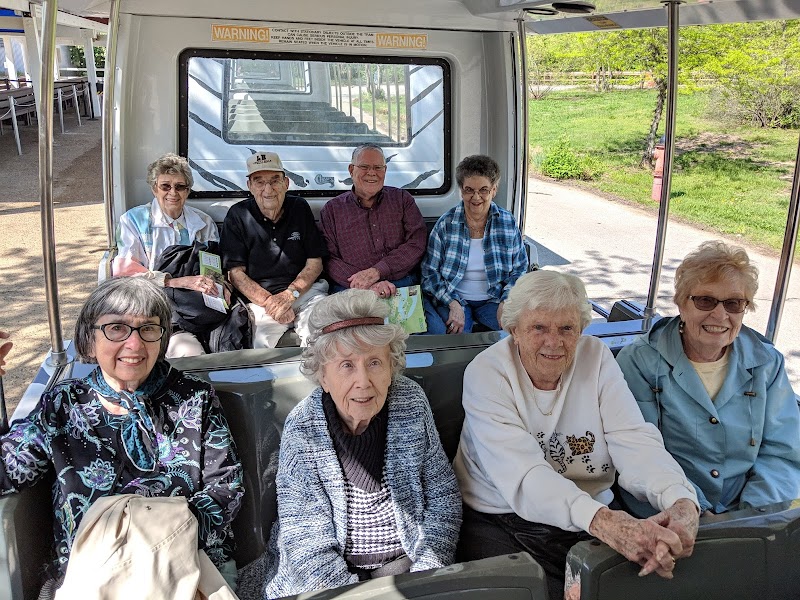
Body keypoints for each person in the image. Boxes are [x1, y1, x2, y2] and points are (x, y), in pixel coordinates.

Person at [454, 270, 700, 600]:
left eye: (566, 329)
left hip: (588, 513)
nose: (553, 342)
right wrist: (604, 523)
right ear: (514, 330)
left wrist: (679, 497)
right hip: (501, 518)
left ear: (581, 330)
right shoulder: (487, 373)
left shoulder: (595, 358)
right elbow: (525, 476)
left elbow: (633, 439)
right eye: (538, 328)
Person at [0, 278, 244, 592]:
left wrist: (153, 543)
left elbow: (226, 488)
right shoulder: (63, 404)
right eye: (116, 328)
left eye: (148, 329)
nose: (134, 344)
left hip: (185, 565)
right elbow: (6, 471)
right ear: (89, 340)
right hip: (92, 574)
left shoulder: (195, 397)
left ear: (162, 337)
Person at [238, 289, 461, 599]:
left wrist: (427, 572)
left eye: (374, 362)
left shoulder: (411, 402)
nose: (363, 382)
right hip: (327, 573)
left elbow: (442, 495)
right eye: (346, 365)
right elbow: (304, 539)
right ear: (323, 376)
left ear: (391, 368)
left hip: (406, 559)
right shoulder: (303, 426)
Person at [617, 240, 800, 515]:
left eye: (733, 303)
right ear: (682, 303)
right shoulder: (640, 361)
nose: (720, 314)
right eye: (705, 301)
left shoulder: (767, 364)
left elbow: (782, 454)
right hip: (664, 508)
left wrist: (752, 517)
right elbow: (641, 452)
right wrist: (694, 510)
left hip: (748, 508)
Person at [113, 153, 223, 357]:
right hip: (156, 308)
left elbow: (214, 269)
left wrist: (219, 286)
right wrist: (176, 282)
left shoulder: (203, 222)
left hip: (201, 308)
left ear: (187, 191)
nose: (173, 192)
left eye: (180, 186)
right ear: (154, 189)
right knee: (188, 353)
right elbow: (124, 275)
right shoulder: (133, 221)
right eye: (165, 186)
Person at [221, 151, 329, 348]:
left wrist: (289, 296)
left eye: (274, 181)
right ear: (250, 186)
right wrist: (271, 303)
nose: (268, 189)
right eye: (259, 182)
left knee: (322, 338)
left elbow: (315, 262)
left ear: (286, 183)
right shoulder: (238, 215)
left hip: (304, 293)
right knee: (260, 345)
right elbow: (235, 275)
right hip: (261, 301)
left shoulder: (299, 207)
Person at [421, 155, 527, 334]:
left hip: (495, 299)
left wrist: (506, 301)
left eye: (483, 190)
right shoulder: (446, 224)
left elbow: (520, 269)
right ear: (461, 191)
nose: (476, 197)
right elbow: (429, 273)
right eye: (469, 190)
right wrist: (452, 303)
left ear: (494, 190)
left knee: (519, 330)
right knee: (456, 337)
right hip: (454, 297)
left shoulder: (507, 222)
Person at [319, 144, 426, 298]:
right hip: (352, 289)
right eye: (364, 167)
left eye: (378, 167)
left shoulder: (402, 200)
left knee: (431, 316)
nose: (371, 173)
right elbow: (329, 259)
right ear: (351, 170)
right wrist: (366, 283)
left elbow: (417, 242)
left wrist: (377, 271)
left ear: (385, 170)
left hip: (402, 285)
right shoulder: (332, 210)